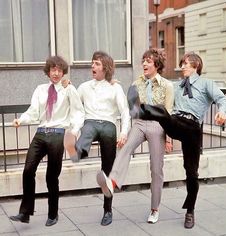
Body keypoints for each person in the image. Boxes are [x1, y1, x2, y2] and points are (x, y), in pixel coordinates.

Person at [126, 51, 226, 229]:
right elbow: (154, 85)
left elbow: (223, 99)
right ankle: (141, 111)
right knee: (162, 111)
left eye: (185, 64)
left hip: (192, 128)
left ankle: (190, 211)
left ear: (195, 66)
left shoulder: (206, 84)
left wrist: (222, 112)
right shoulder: (176, 85)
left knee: (192, 173)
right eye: (182, 64)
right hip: (175, 122)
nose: (182, 67)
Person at [96, 48, 174, 224]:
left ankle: (154, 209)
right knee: (125, 147)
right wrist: (112, 84)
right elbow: (129, 105)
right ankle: (112, 182)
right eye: (143, 60)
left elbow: (168, 113)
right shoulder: (135, 83)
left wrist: (169, 139)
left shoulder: (167, 86)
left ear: (157, 64)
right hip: (139, 123)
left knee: (156, 169)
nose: (144, 63)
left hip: (158, 125)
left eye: (148, 61)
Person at [9, 56, 85, 226]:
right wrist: (20, 120)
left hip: (58, 134)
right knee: (28, 170)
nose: (56, 73)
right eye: (53, 69)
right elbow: (33, 111)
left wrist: (73, 131)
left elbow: (79, 112)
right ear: (48, 71)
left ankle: (53, 214)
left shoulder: (68, 89)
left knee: (52, 176)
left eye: (59, 70)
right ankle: (25, 213)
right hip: (41, 133)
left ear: (63, 72)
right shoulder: (40, 89)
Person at [64, 51, 130, 226]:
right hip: (91, 121)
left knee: (108, 169)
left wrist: (124, 133)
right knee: (88, 130)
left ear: (105, 68)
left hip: (108, 123)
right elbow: (75, 104)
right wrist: (69, 87)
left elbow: (125, 112)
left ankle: (107, 210)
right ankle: (78, 152)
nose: (92, 66)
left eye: (97, 64)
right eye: (92, 63)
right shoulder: (85, 87)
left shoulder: (116, 87)